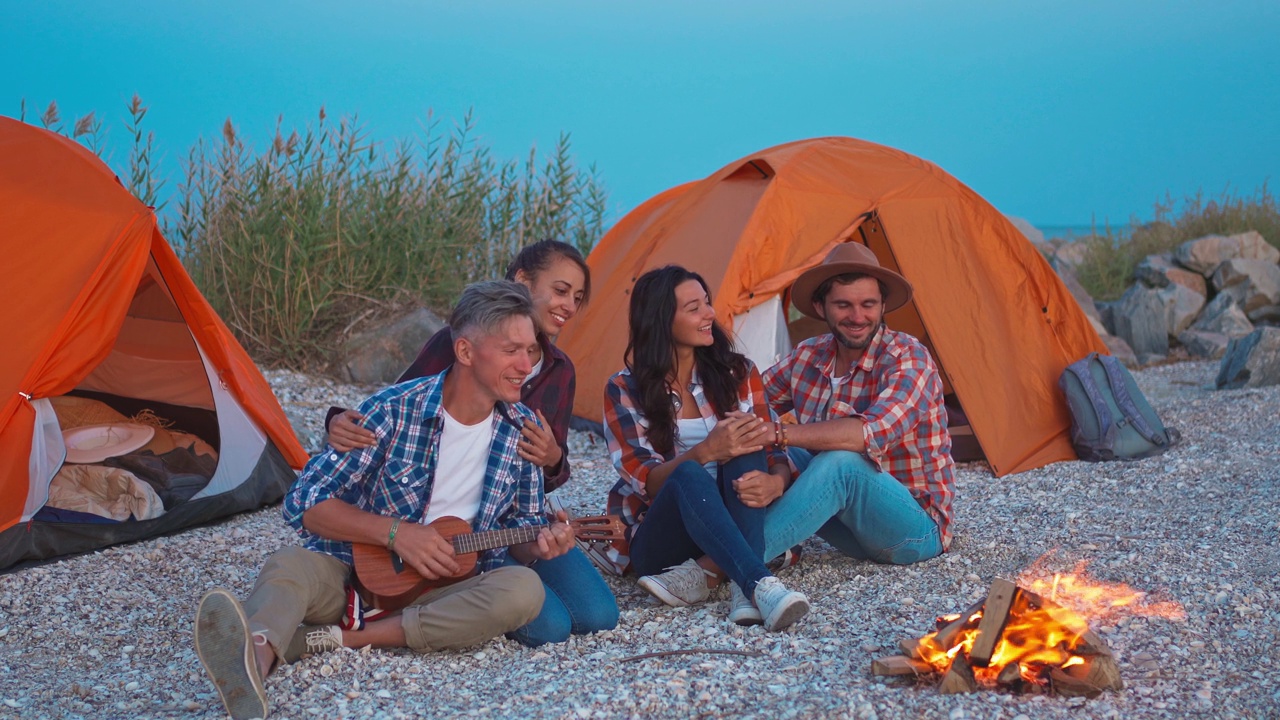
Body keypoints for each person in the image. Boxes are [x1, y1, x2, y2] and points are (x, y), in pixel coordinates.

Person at [194, 281, 575, 720]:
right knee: (289, 564)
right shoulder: (393, 411)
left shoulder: (524, 430)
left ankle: (348, 638)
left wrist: (542, 542)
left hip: (445, 593)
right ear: (467, 352)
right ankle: (253, 660)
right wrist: (395, 534)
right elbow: (305, 500)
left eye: (531, 351)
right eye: (513, 350)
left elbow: (522, 529)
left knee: (524, 589)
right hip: (351, 575)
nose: (526, 365)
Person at [324, 240, 617, 647]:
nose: (569, 305)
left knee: (599, 615)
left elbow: (546, 480)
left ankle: (479, 590)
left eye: (578, 297)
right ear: (522, 281)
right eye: (561, 290)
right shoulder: (460, 343)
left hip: (514, 522)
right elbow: (396, 413)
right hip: (444, 527)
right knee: (551, 628)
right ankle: (431, 599)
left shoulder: (560, 371)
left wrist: (553, 459)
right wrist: (336, 419)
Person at [602, 265, 810, 632]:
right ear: (661, 320)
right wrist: (706, 451)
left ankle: (745, 593)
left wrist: (775, 482)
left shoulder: (738, 372)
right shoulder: (624, 389)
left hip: (735, 513)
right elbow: (647, 481)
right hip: (664, 537)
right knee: (689, 472)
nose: (710, 314)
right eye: (694, 308)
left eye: (707, 303)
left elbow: (774, 451)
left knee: (746, 440)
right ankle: (759, 584)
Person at [754, 243, 956, 567]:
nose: (858, 317)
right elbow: (750, 402)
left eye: (868, 304)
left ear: (882, 306)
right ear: (821, 307)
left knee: (840, 463)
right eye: (844, 305)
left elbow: (867, 435)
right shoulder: (809, 354)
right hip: (849, 531)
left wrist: (777, 434)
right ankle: (754, 542)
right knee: (747, 440)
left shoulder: (908, 356)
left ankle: (722, 563)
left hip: (913, 531)